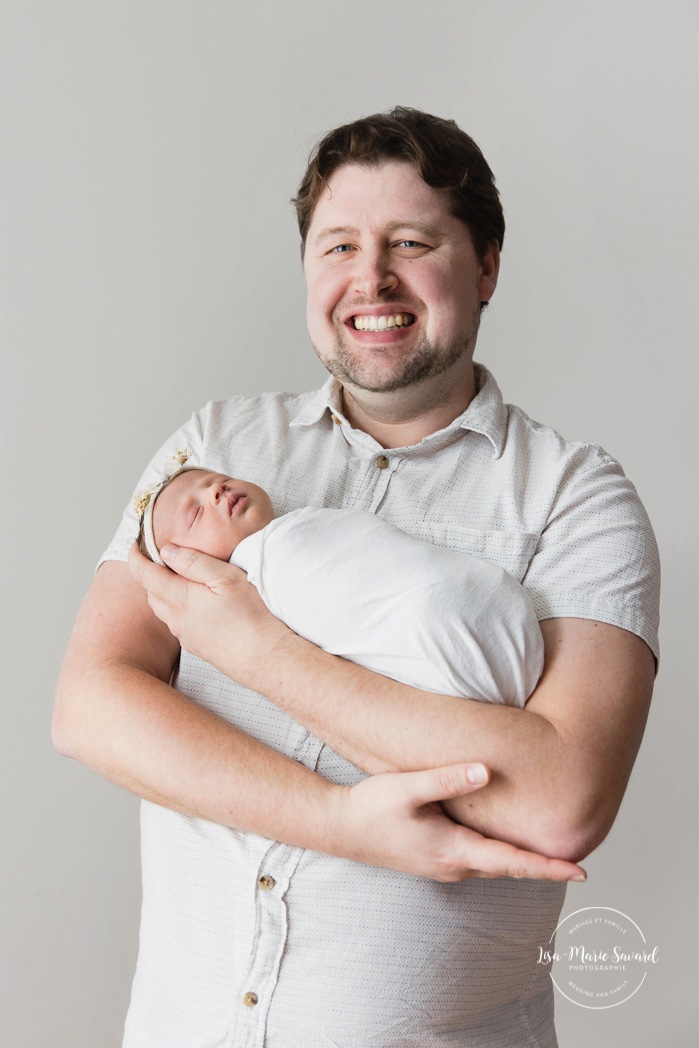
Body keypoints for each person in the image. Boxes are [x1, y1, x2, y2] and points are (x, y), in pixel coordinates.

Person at [53, 107, 659, 1048]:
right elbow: (91, 707)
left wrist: (256, 650)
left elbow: (557, 800)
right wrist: (343, 822)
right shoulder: (212, 450)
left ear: (486, 266)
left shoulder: (576, 499)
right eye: (339, 245)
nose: (369, 279)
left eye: (411, 242)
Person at [136, 459, 545, 705]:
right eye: (194, 514)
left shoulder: (303, 524)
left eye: (215, 479)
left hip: (493, 607)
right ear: (187, 565)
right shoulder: (258, 595)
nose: (215, 492)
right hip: (447, 648)